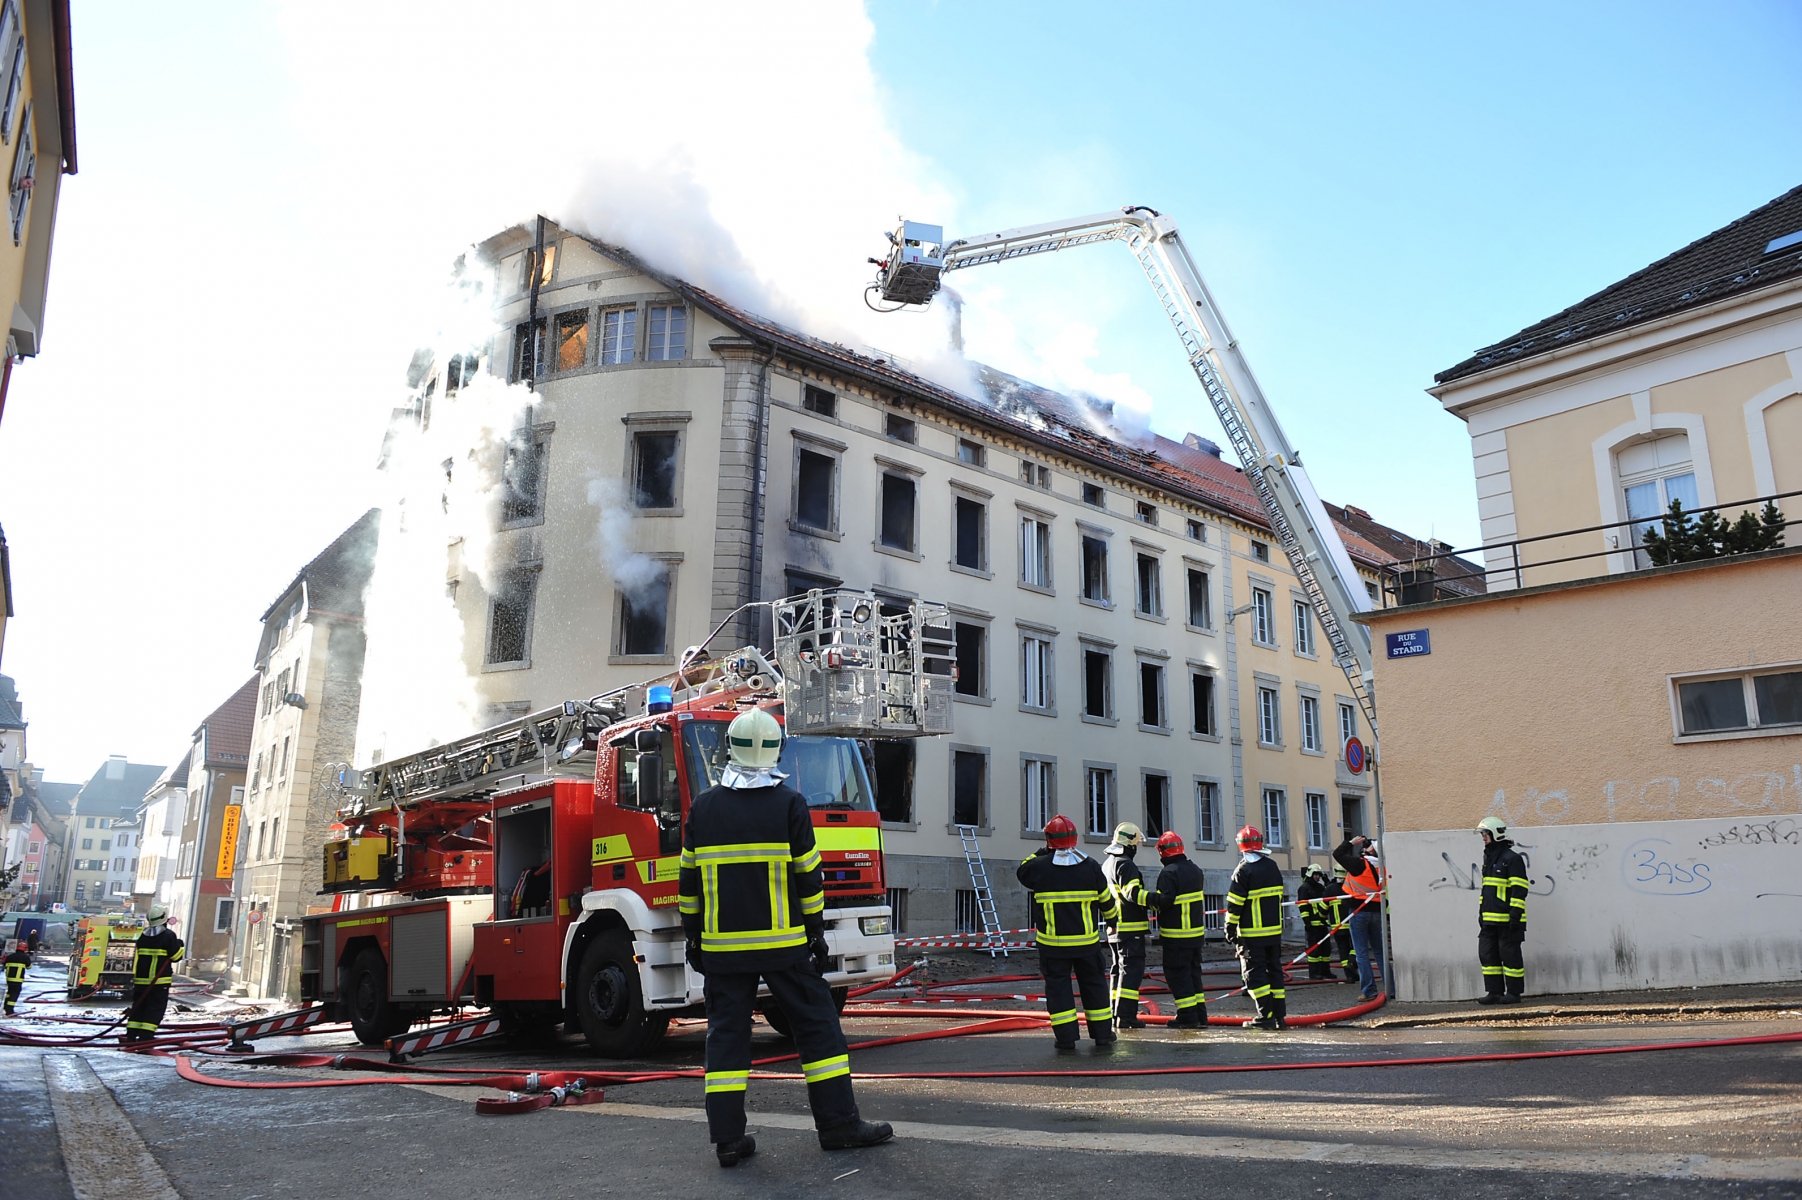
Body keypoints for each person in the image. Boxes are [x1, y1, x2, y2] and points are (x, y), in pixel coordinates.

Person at [676, 707, 892, 1168]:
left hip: (723, 952)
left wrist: (694, 941)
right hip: (785, 947)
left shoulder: (703, 809)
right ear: (776, 750)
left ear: (728, 749)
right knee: (818, 1030)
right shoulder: (790, 804)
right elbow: (809, 879)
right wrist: (815, 933)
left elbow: (689, 886)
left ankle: (728, 1141)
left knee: (726, 1040)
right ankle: (838, 1126)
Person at [1017, 814, 1118, 1050]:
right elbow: (1106, 900)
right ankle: (1102, 1035)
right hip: (1087, 944)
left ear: (1049, 839)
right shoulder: (1091, 865)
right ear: (1074, 838)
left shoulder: (1039, 868)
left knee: (1059, 990)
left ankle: (1066, 1039)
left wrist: (1044, 850)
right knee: (1094, 987)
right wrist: (1112, 920)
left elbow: (1022, 869)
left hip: (1053, 945)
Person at [1225, 826, 1287, 1030]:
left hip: (1252, 934)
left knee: (1254, 974)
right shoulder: (1272, 866)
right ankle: (1279, 1016)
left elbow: (1235, 903)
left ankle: (1265, 1015)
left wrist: (1230, 928)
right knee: (1275, 971)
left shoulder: (1243, 871)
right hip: (1274, 932)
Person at [1150, 832, 1208, 1028]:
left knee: (1178, 976)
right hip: (1196, 936)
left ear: (1162, 852)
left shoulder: (1168, 873)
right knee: (1193, 975)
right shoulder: (1195, 869)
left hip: (1176, 937)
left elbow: (1165, 902)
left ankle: (1187, 1017)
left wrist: (1146, 900)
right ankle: (1200, 1015)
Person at [1475, 816, 1529, 1004]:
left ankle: (1514, 993)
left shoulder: (1512, 859)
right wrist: (1481, 914)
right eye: (1482, 834)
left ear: (1496, 834)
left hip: (1508, 920)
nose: (1483, 837)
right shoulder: (1489, 858)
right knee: (1487, 954)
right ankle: (1494, 991)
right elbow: (1487, 890)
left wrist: (1515, 915)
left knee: (1510, 957)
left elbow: (1519, 889)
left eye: (1485, 833)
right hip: (1489, 920)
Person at [1100, 822, 1150, 1029]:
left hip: (1115, 929)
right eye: (1137, 843)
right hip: (1130, 930)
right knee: (1131, 973)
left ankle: (1115, 1012)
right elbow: (1133, 894)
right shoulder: (1126, 865)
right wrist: (1158, 900)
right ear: (1131, 844)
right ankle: (1126, 1016)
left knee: (1117, 971)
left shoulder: (1107, 863)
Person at [1334, 834, 1386, 1000]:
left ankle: (1369, 991)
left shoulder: (1359, 865)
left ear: (1372, 851)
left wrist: (1351, 843)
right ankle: (1391, 988)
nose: (1365, 847)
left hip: (1359, 911)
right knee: (1380, 951)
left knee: (1361, 953)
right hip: (1377, 912)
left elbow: (1338, 854)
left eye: (1369, 846)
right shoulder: (1383, 868)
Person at [125, 904, 185, 1041]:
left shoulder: (143, 936)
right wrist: (180, 946)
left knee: (139, 1006)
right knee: (155, 1008)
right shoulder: (168, 936)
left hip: (141, 980)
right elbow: (176, 957)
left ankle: (131, 1034)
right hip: (159, 981)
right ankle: (146, 1035)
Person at [1295, 864, 1338, 980]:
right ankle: (1314, 973)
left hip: (1322, 923)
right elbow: (1303, 906)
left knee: (1326, 949)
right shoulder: (1304, 888)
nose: (1318, 877)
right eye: (1316, 875)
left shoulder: (1320, 887)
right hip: (1312, 925)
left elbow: (1330, 892)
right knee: (1314, 951)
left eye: (1319, 875)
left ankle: (1325, 971)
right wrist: (1307, 922)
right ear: (1310, 874)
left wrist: (1326, 880)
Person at [1325, 868, 1359, 983]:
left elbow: (1323, 907)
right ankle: (1352, 962)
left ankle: (1349, 976)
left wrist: (1320, 918)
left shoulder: (1330, 889)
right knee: (1355, 946)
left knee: (1343, 950)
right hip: (1352, 923)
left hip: (1338, 927)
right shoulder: (1350, 886)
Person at [3, 939, 30, 1016]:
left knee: (9, 993)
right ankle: (10, 1010)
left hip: (9, 979)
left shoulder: (10, 957)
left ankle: (6, 1006)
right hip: (18, 979)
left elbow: (4, 964)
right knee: (14, 994)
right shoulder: (25, 957)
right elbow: (29, 966)